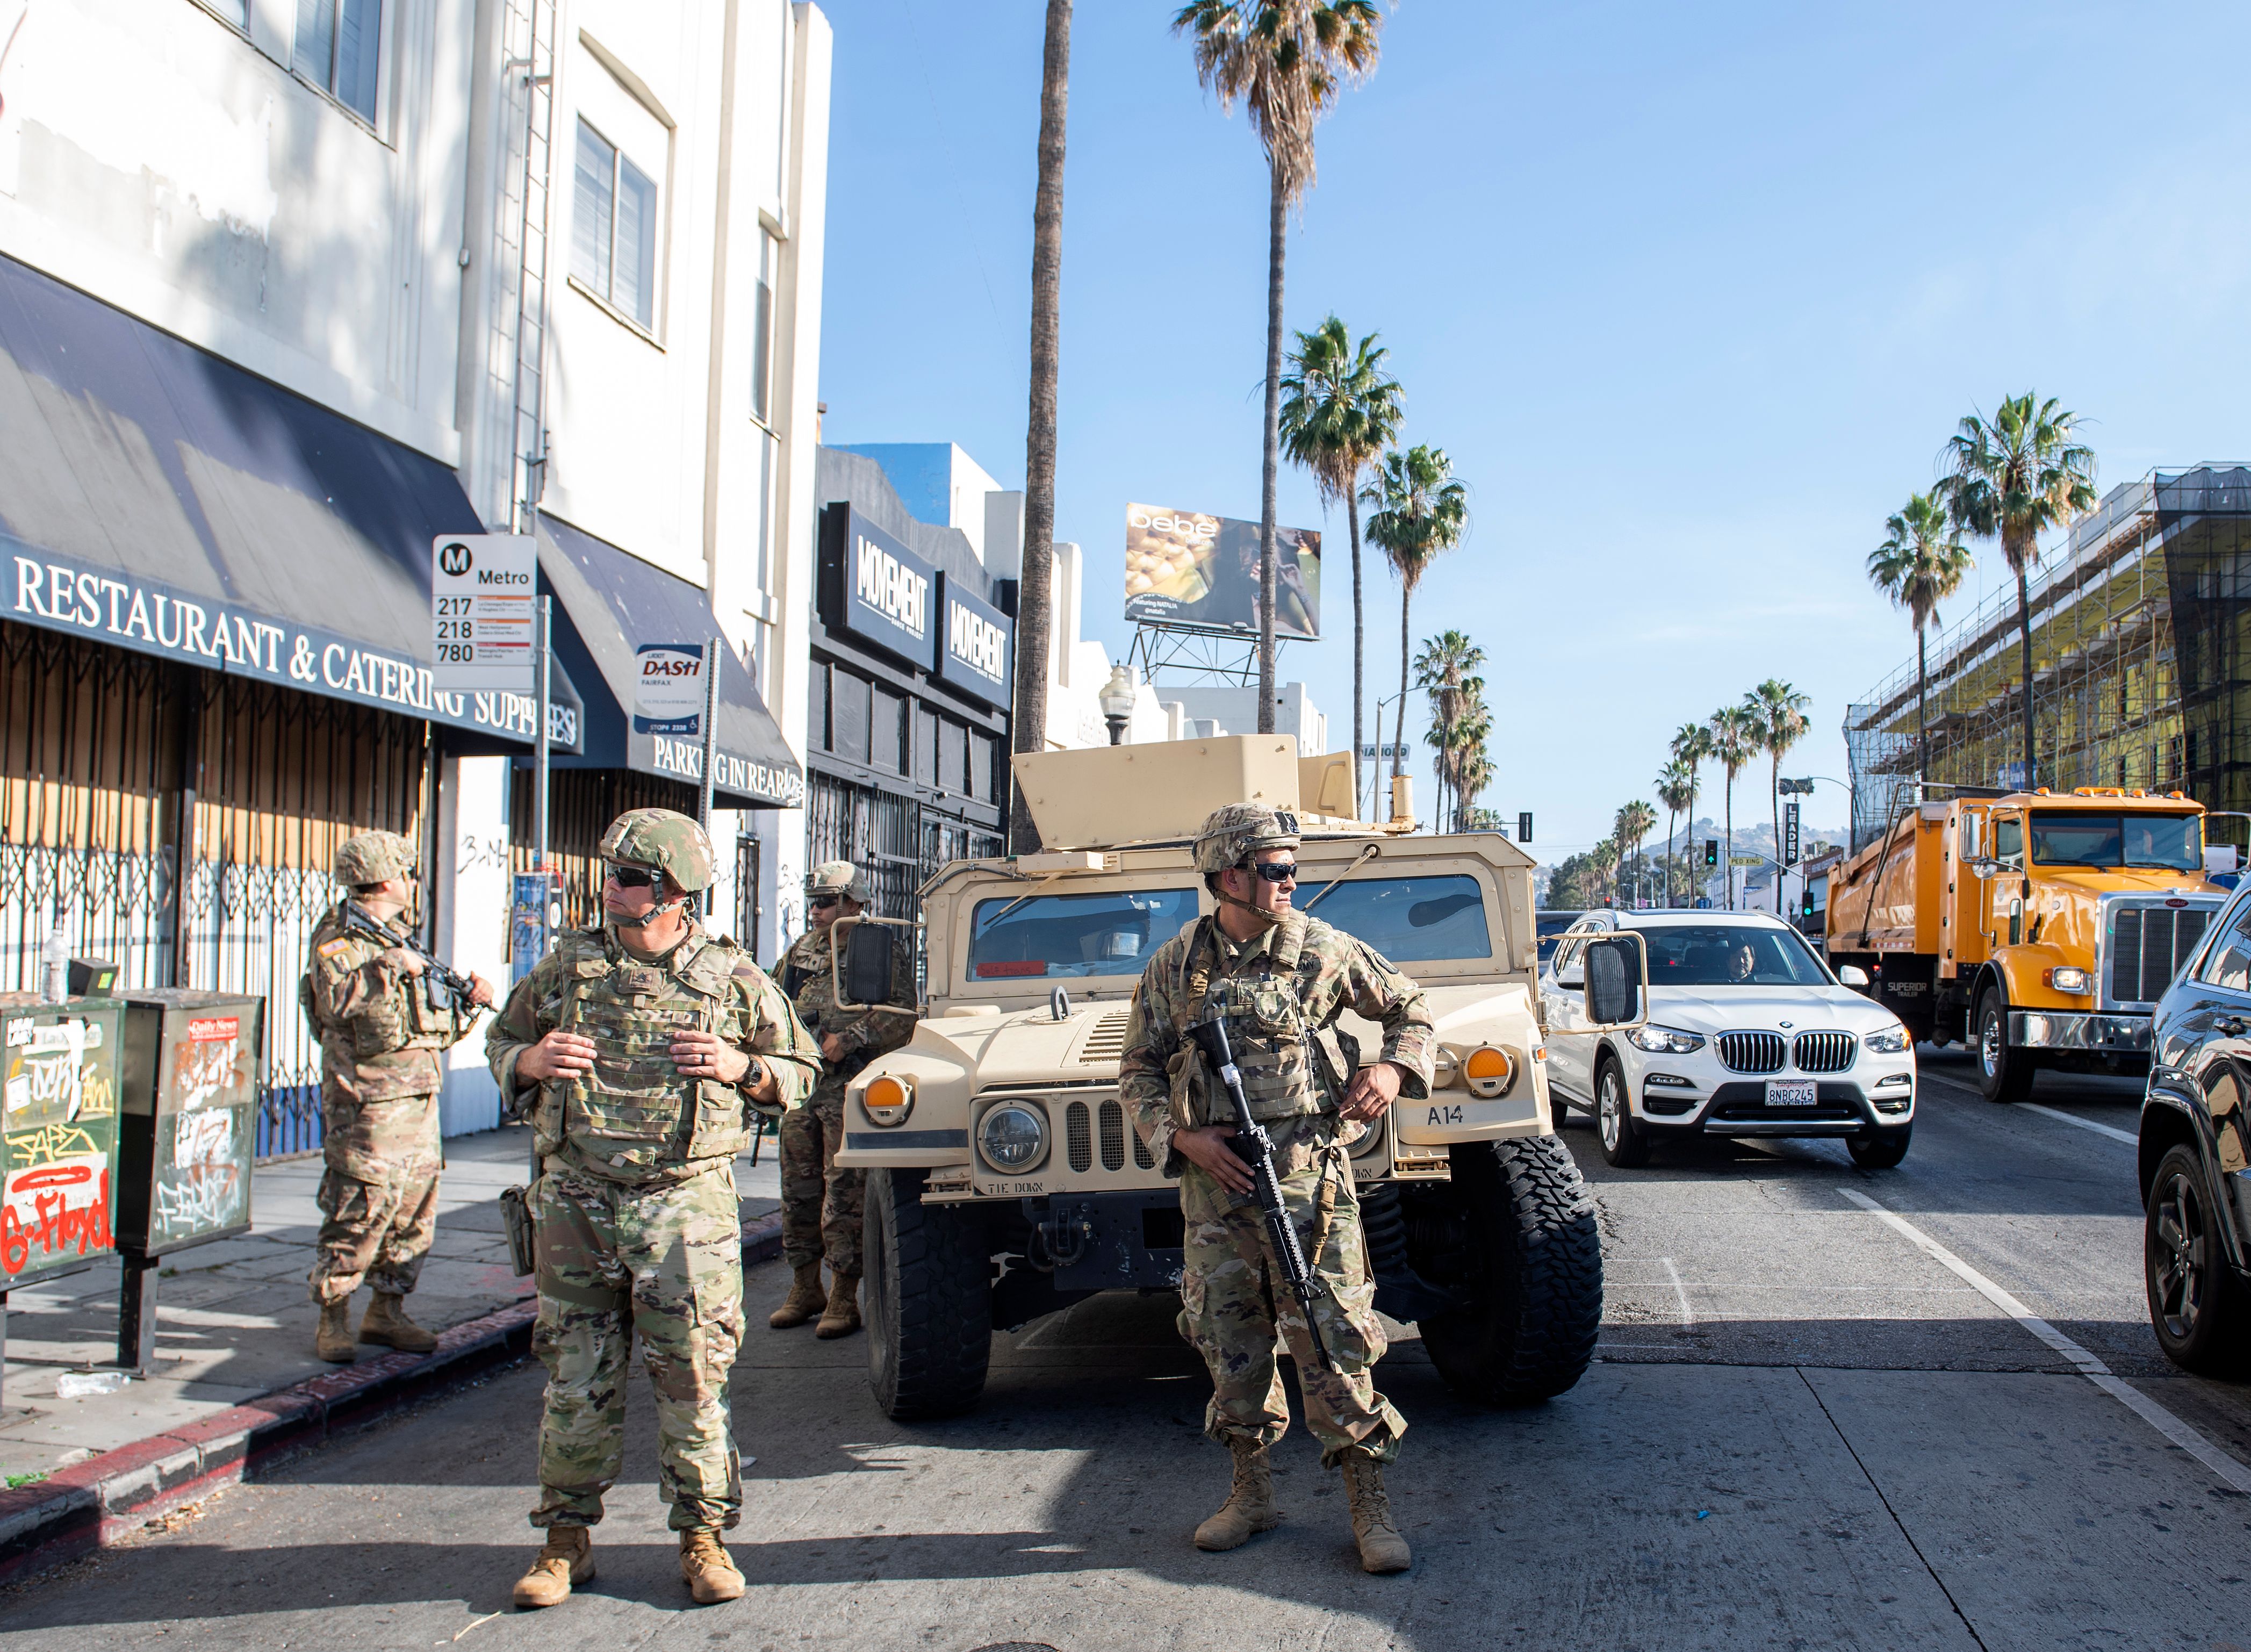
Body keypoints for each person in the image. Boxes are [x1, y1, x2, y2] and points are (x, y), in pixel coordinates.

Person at [486, 809, 819, 1610]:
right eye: (610, 874)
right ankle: (564, 1539)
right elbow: (502, 1042)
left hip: (683, 1208)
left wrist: (744, 1065)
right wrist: (529, 1059)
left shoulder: (732, 977)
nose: (611, 888)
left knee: (694, 1380)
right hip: (577, 1201)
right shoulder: (569, 968)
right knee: (573, 1376)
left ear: (675, 893)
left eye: (629, 877)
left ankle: (702, 1538)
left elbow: (801, 1069)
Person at [1117, 803, 1435, 1575]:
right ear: (1229, 875)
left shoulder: (1322, 949)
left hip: (1308, 1186)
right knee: (1229, 1341)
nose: (1291, 881)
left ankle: (1369, 1504)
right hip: (1215, 1191)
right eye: (1276, 868)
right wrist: (1181, 1137)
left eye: (1294, 867)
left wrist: (1392, 1068)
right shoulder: (1175, 964)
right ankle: (1250, 1493)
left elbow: (1411, 1008)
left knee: (1334, 1336)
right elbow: (1138, 1071)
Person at [301, 830, 495, 1364]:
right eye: (408, 873)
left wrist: (468, 1002)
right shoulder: (341, 939)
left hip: (419, 1100)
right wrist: (388, 966)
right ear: (387, 878)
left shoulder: (401, 936)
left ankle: (386, 1309)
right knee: (359, 1207)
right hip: (368, 1106)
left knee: (414, 1209)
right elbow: (334, 1001)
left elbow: (427, 1028)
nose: (413, 882)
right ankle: (333, 1312)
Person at [768, 861, 918, 1338]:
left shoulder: (877, 950)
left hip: (845, 1086)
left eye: (826, 901)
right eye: (813, 901)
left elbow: (903, 1016)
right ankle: (803, 1285)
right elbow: (772, 1002)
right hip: (802, 1087)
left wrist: (848, 1039)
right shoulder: (800, 952)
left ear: (855, 902)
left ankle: (843, 1293)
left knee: (844, 1193)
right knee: (798, 1191)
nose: (816, 911)